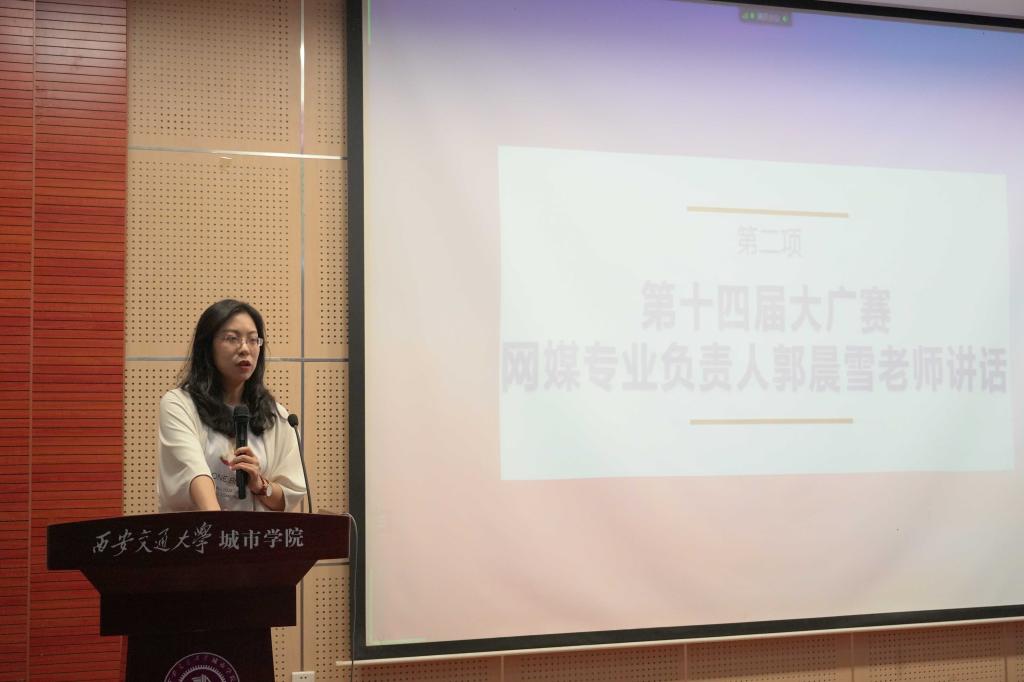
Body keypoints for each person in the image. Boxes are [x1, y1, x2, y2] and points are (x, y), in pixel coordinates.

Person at [158, 299, 306, 512]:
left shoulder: (276, 416)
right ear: (207, 346)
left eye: (253, 340)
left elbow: (287, 498)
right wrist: (222, 526)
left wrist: (259, 484)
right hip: (203, 531)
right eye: (232, 338)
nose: (245, 349)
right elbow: (194, 473)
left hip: (255, 532)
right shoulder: (179, 405)